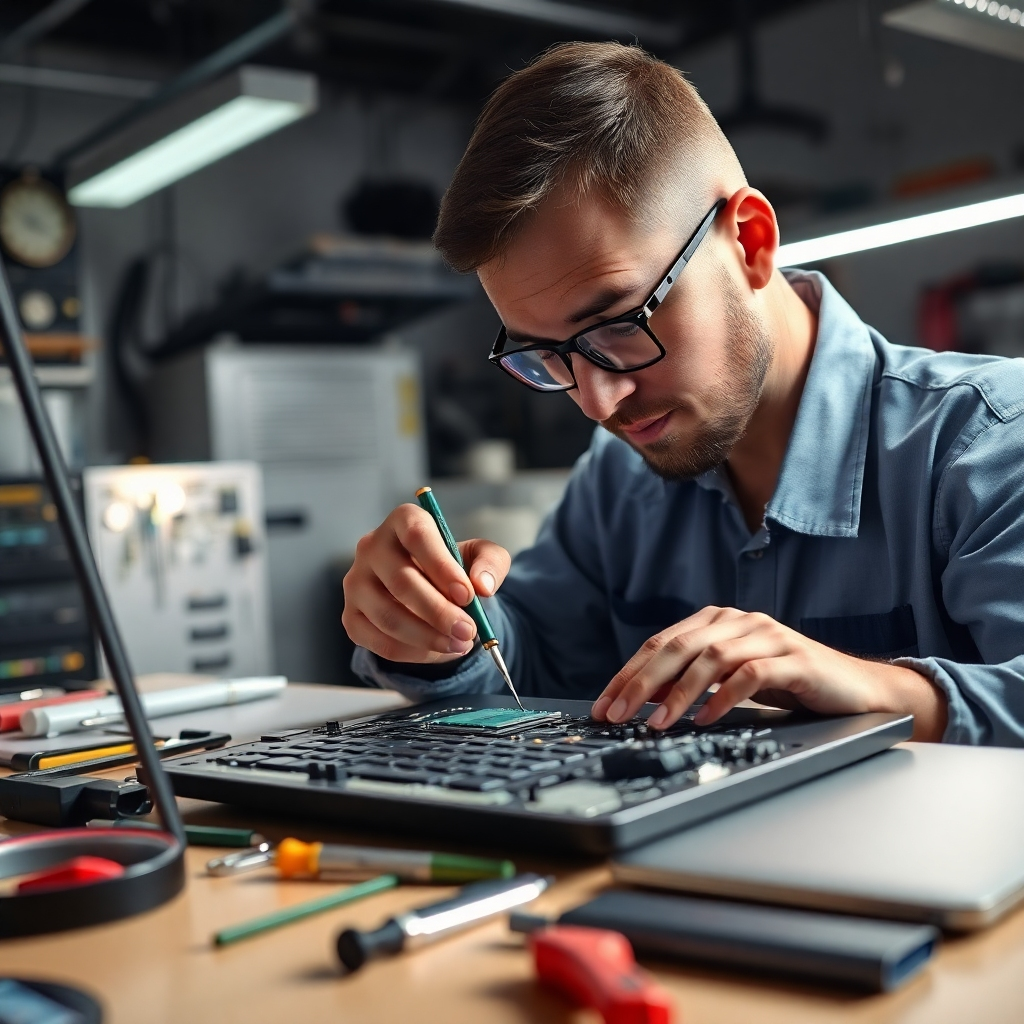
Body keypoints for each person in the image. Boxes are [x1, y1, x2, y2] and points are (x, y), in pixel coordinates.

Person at [343, 41, 1024, 745]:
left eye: (619, 325)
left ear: (752, 243)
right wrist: (438, 631)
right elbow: (535, 671)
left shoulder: (990, 442)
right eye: (546, 355)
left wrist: (881, 689)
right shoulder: (618, 481)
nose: (597, 403)